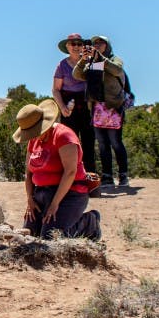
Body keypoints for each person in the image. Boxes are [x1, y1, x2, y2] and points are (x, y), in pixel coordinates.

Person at [13, 98, 102, 241]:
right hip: (41, 193)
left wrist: (55, 204)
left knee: (50, 237)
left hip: (70, 194)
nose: (32, 137)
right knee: (29, 234)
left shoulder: (64, 136)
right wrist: (30, 199)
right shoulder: (34, 140)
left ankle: (88, 223)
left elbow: (70, 172)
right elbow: (28, 173)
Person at [73, 35, 129, 188]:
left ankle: (123, 175)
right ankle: (107, 176)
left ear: (107, 45)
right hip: (97, 108)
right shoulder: (92, 62)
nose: (97, 45)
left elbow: (117, 71)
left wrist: (101, 58)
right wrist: (84, 59)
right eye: (94, 43)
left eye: (100, 42)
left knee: (116, 142)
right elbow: (77, 74)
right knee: (103, 144)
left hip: (113, 107)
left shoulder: (114, 59)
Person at [52, 33, 97, 176]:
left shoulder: (92, 63)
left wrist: (94, 56)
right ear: (67, 46)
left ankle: (90, 176)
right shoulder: (62, 65)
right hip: (69, 108)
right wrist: (62, 107)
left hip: (87, 107)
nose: (76, 47)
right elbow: (56, 89)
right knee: (69, 142)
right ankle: (69, 176)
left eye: (79, 44)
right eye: (73, 44)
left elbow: (101, 78)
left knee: (89, 143)